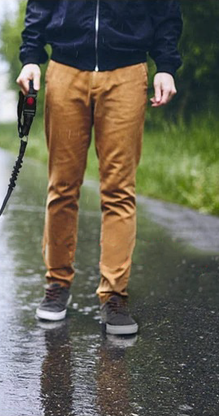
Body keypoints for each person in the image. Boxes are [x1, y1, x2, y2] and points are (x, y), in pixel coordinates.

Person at [16, 0, 182, 335]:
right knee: (62, 186)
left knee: (119, 189)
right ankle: (57, 286)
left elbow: (166, 9)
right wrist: (31, 57)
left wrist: (165, 64)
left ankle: (115, 295)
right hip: (65, 69)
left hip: (127, 72)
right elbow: (40, 6)